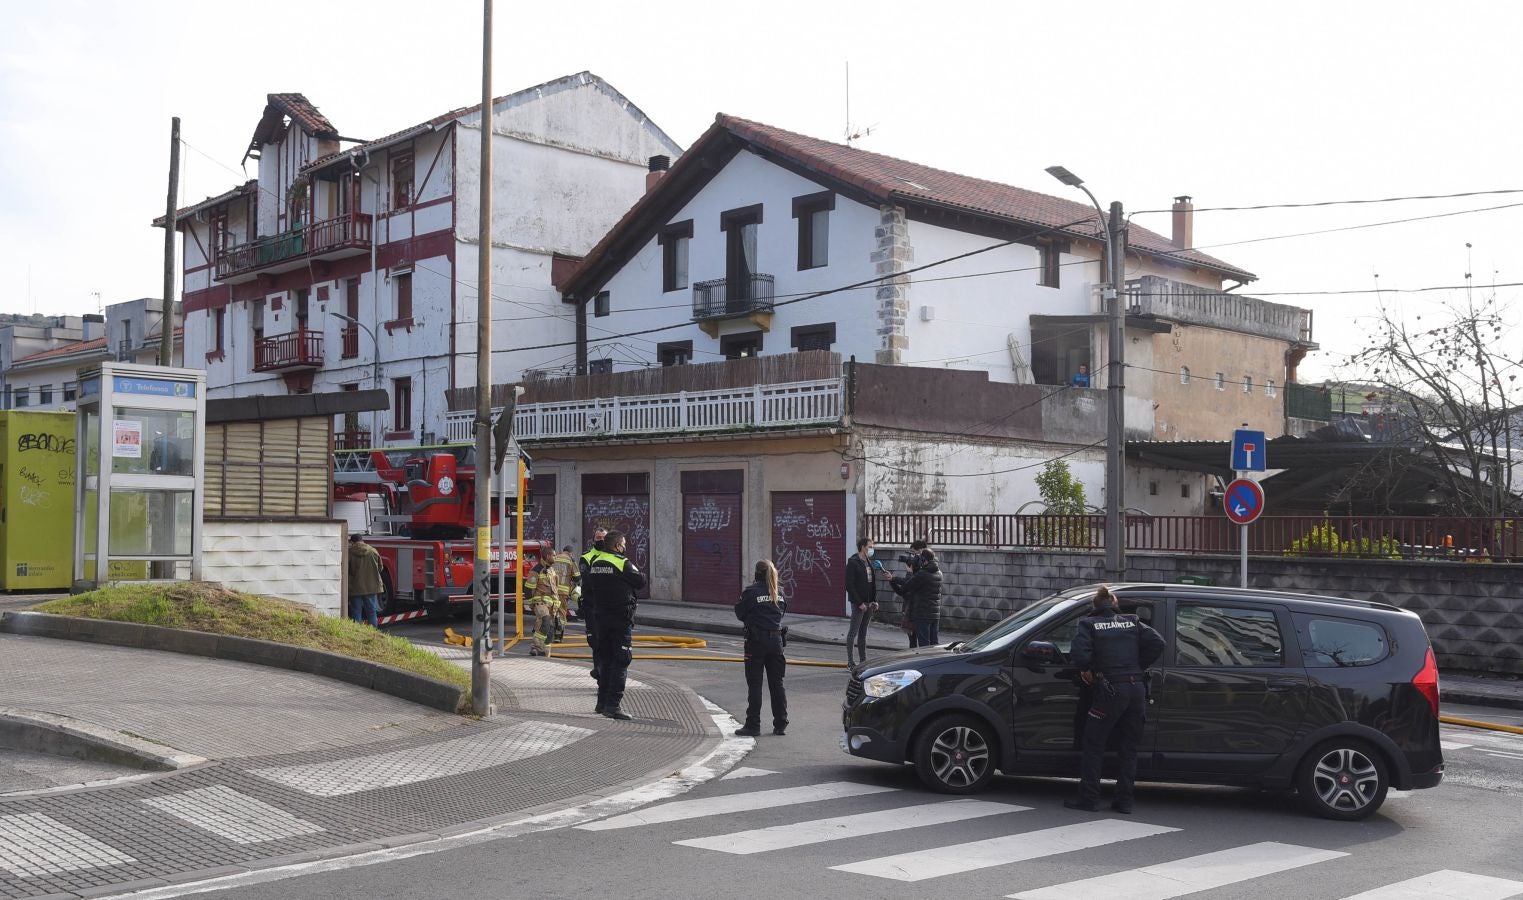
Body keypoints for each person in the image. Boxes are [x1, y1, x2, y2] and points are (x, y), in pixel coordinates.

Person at [1064, 585, 1165, 815]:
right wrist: (1138, 666)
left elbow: (1079, 656)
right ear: (1114, 603)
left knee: (1093, 744)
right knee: (1129, 748)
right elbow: (1158, 643)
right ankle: (1124, 802)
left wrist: (1087, 668)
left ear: (1095, 606)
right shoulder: (1132, 621)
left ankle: (1089, 799)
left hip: (1110, 691)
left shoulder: (1088, 624)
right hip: (1136, 689)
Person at [582, 529, 646, 720]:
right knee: (621, 661)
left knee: (605, 660)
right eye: (624, 544)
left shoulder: (595, 563)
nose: (625, 546)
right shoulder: (622, 563)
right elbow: (641, 581)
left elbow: (589, 587)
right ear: (617, 546)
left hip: (600, 619)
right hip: (620, 620)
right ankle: (613, 705)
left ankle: (601, 703)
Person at [734, 560, 788, 737]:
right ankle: (780, 723)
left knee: (755, 685)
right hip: (776, 642)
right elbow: (782, 612)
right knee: (777, 684)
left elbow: (740, 613)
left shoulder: (751, 592)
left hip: (756, 642)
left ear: (756, 573)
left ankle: (753, 725)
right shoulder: (778, 592)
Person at [890, 546, 942, 648]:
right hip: (935, 615)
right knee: (934, 644)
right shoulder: (939, 573)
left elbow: (906, 587)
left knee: (924, 646)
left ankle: (925, 663)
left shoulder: (922, 574)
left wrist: (909, 573)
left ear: (924, 560)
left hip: (922, 615)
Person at [844, 536, 881, 667]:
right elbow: (849, 585)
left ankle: (863, 661)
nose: (872, 549)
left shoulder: (869, 562)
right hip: (859, 603)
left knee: (863, 633)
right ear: (862, 547)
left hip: (869, 603)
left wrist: (874, 600)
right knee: (853, 632)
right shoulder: (853, 562)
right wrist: (859, 603)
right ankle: (850, 662)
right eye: (870, 546)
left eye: (872, 547)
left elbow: (872, 584)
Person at [579, 528, 608, 680]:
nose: (601, 540)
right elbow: (588, 580)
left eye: (604, 537)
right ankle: (599, 671)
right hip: (593, 605)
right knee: (595, 641)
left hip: (609, 606)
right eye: (598, 537)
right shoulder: (587, 557)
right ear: (593, 540)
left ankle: (604, 673)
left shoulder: (613, 555)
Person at [523, 559, 560, 656]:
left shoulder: (551, 570)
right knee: (545, 621)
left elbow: (555, 588)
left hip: (552, 605)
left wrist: (556, 603)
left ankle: (544, 652)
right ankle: (536, 647)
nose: (555, 557)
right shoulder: (536, 570)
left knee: (550, 630)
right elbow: (528, 589)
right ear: (547, 556)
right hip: (540, 602)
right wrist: (531, 604)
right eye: (553, 555)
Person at [346, 534, 384, 627]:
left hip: (355, 587)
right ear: (362, 540)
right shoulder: (373, 551)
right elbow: (381, 567)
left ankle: (358, 635)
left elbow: (345, 570)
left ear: (352, 542)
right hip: (372, 586)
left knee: (356, 612)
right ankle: (373, 634)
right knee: (371, 612)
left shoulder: (349, 553)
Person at [549, 545, 578, 640]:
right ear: (570, 553)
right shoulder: (570, 560)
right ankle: (558, 636)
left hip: (551, 590)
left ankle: (550, 634)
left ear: (563, 551)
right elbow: (577, 576)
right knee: (561, 612)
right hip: (563, 591)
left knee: (552, 612)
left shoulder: (555, 557)